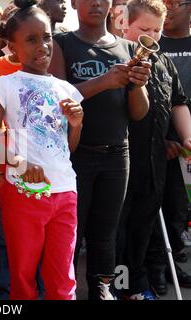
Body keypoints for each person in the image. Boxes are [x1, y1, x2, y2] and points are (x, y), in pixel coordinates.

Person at [49, 0, 151, 300]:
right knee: (71, 233)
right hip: (75, 154)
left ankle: (101, 290)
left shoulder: (128, 47)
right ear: (74, 3)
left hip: (117, 154)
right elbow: (56, 98)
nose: (96, 3)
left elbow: (139, 113)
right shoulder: (62, 43)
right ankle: (62, 292)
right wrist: (105, 81)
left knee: (106, 233)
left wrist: (135, 85)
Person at [0, 0, 85, 300]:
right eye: (31, 39)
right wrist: (18, 162)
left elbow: (69, 147)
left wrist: (77, 124)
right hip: (24, 194)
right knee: (22, 277)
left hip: (65, 192)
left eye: (46, 37)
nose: (42, 45)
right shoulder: (2, 85)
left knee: (62, 280)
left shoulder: (67, 90)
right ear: (13, 48)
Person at [116, 0, 191, 300]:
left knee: (144, 226)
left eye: (157, 30)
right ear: (125, 23)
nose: (152, 35)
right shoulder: (115, 54)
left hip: (155, 161)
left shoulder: (164, 61)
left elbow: (178, 102)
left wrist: (187, 137)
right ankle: (117, 286)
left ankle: (137, 283)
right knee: (118, 230)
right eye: (144, 29)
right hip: (121, 161)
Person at [145, 0, 191, 292]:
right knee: (153, 209)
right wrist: (163, 140)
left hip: (185, 141)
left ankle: (174, 265)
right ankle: (156, 270)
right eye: (166, 2)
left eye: (177, 2)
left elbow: (179, 99)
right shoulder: (149, 48)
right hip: (156, 145)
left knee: (178, 209)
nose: (170, 7)